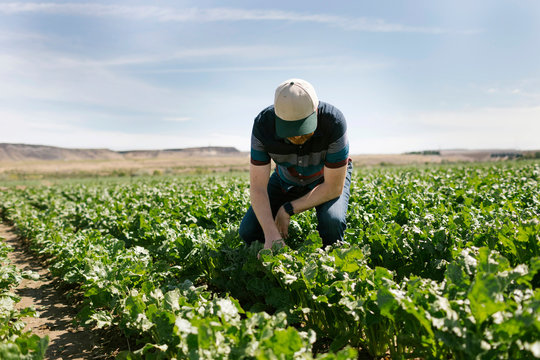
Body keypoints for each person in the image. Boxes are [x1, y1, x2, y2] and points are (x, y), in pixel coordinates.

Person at [239, 78, 352, 249]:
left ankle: (331, 261)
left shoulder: (334, 122)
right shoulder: (263, 126)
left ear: (315, 111)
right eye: (289, 130)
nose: (297, 137)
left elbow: (333, 187)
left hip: (325, 179)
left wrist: (288, 209)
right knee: (249, 230)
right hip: (286, 178)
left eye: (302, 128)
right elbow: (258, 188)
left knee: (332, 222)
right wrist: (271, 234)